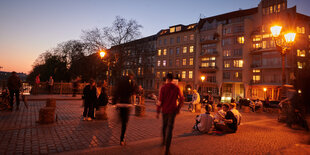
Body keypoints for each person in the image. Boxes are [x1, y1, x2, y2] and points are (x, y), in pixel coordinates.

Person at [156, 73, 184, 155]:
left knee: (164, 126)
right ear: (172, 79)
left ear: (166, 79)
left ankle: (163, 141)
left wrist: (158, 111)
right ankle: (167, 150)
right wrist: (178, 108)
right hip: (173, 110)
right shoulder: (176, 87)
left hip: (165, 110)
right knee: (170, 129)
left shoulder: (163, 88)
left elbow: (160, 100)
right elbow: (182, 99)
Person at [112, 70, 137, 146]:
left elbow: (116, 91)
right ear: (131, 75)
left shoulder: (121, 80)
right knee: (125, 123)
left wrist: (114, 101)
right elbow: (133, 91)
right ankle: (122, 139)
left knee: (122, 119)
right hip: (126, 104)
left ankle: (120, 119)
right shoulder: (131, 82)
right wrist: (134, 86)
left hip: (120, 103)